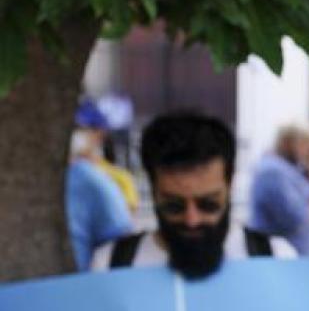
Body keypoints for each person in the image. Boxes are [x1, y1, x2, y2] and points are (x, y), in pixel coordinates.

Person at [91, 112, 295, 276]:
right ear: (153, 190)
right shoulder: (110, 266)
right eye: (174, 206)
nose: (192, 220)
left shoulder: (277, 259)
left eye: (208, 204)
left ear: (230, 184)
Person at [248, 123, 309, 256]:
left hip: (305, 260)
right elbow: (300, 220)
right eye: (305, 142)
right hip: (290, 262)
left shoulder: (291, 167)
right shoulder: (272, 172)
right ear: (287, 143)